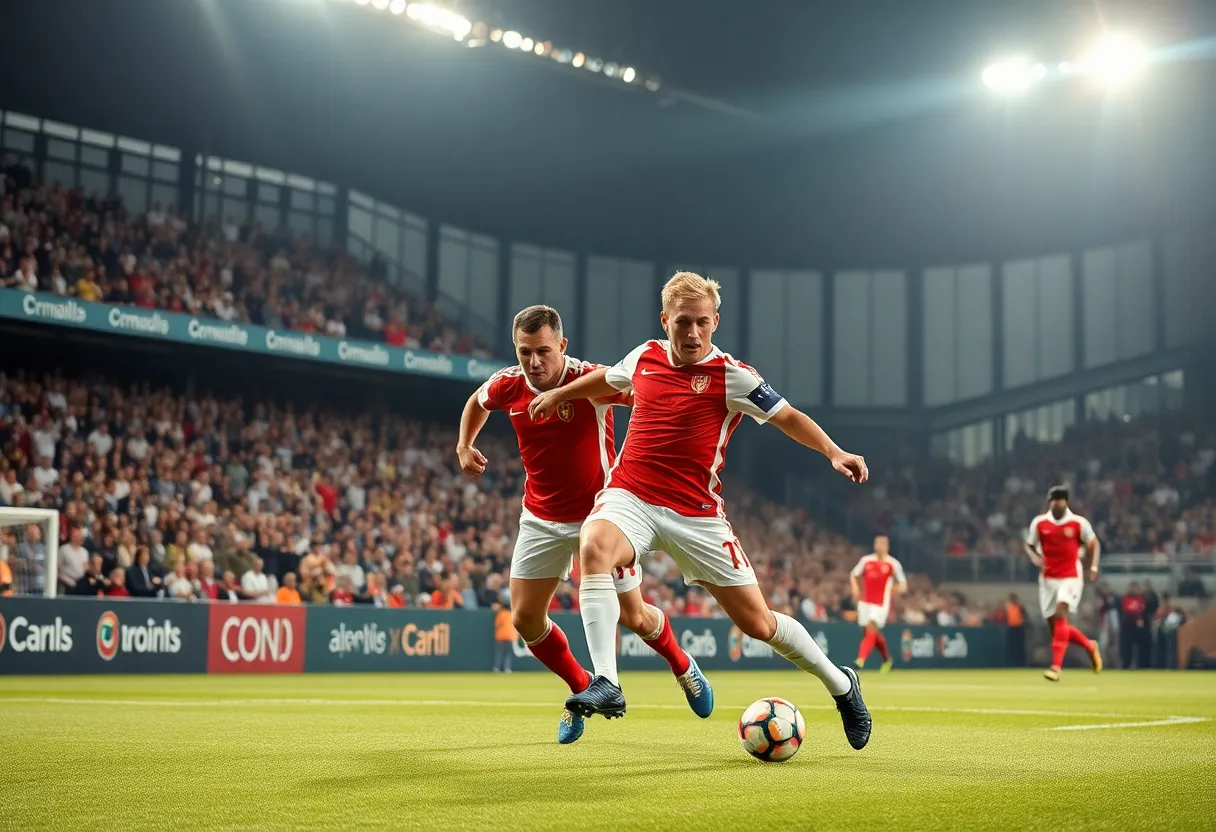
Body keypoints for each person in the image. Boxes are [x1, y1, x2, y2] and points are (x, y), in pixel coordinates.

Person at [528, 273, 872, 750]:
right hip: (632, 497)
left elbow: (789, 416)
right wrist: (559, 394)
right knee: (594, 545)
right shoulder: (644, 356)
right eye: (683, 322)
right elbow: (608, 379)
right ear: (665, 320)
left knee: (759, 624)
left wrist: (834, 451)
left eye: (702, 323)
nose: (692, 333)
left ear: (715, 322)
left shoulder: (734, 376)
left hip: (697, 515)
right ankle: (607, 680)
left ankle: (841, 684)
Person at [458, 304, 712, 745]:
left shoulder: (591, 380)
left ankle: (683, 665)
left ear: (562, 345)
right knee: (525, 619)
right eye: (524, 352)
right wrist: (464, 445)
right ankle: (581, 687)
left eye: (543, 351)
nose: (534, 362)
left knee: (634, 616)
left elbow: (646, 395)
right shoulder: (507, 384)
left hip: (601, 517)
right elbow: (476, 402)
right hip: (540, 518)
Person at [1024, 485, 1102, 682]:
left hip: (1070, 576)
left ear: (1066, 502)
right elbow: (1029, 544)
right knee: (1058, 629)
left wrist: (1093, 567)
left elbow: (1094, 544)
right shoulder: (1040, 523)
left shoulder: (1078, 523)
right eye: (1053, 500)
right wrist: (1035, 557)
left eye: (1059, 500)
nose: (1056, 503)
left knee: (1060, 615)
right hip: (1048, 579)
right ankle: (1089, 646)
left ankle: (1056, 668)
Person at [850, 535, 906, 672]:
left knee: (871, 627)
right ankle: (887, 660)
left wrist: (893, 589)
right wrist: (855, 588)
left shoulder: (893, 564)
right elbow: (853, 574)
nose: (878, 546)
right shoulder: (866, 560)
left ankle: (860, 660)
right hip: (865, 602)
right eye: (877, 543)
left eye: (881, 543)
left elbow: (903, 585)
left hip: (881, 604)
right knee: (870, 634)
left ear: (887, 546)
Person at [493, 600, 516, 673]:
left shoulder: (501, 614)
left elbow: (496, 625)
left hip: (501, 637)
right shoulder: (511, 614)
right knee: (508, 654)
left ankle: (497, 668)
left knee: (500, 653)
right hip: (510, 637)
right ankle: (507, 668)